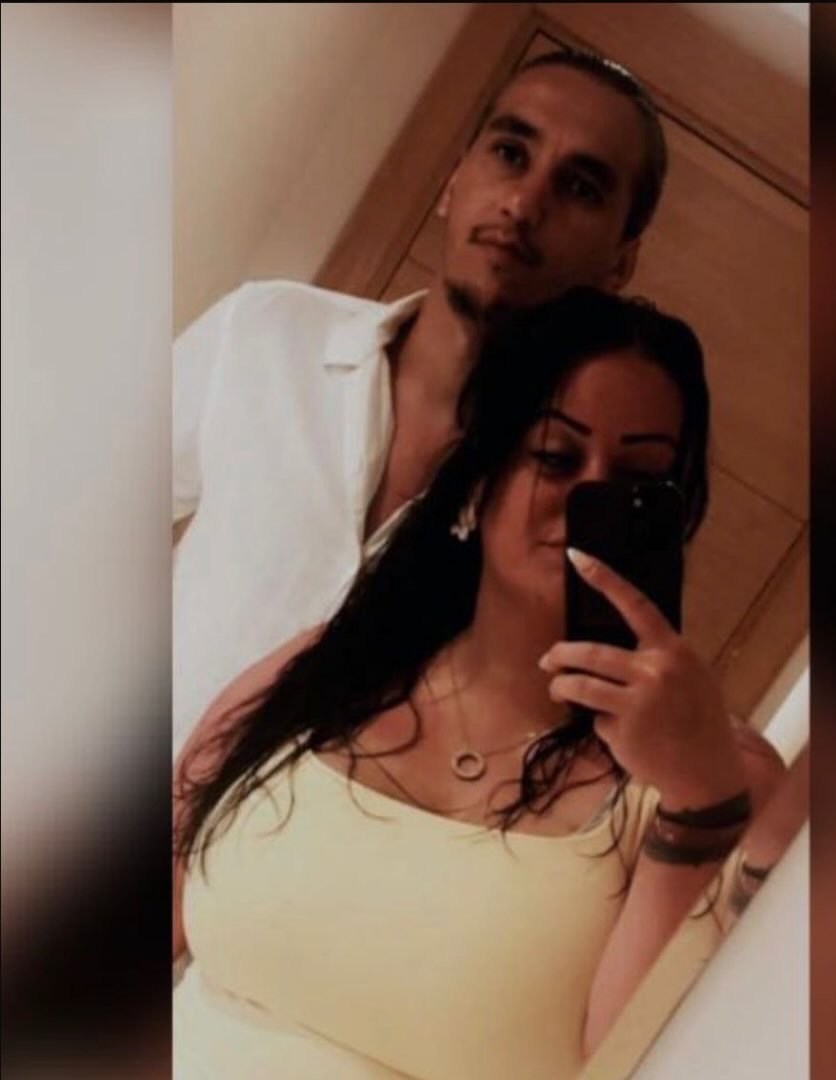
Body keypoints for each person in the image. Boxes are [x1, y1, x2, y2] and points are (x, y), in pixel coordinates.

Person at [172, 289, 786, 1080]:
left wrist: (700, 805)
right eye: (556, 457)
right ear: (479, 479)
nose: (587, 497)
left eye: (638, 481)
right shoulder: (325, 670)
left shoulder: (711, 780)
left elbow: (644, 1061)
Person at [172, 49, 670, 756]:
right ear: (452, 181)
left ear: (621, 261)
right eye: (510, 153)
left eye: (580, 187)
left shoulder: (564, 499)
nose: (524, 204)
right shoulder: (267, 332)